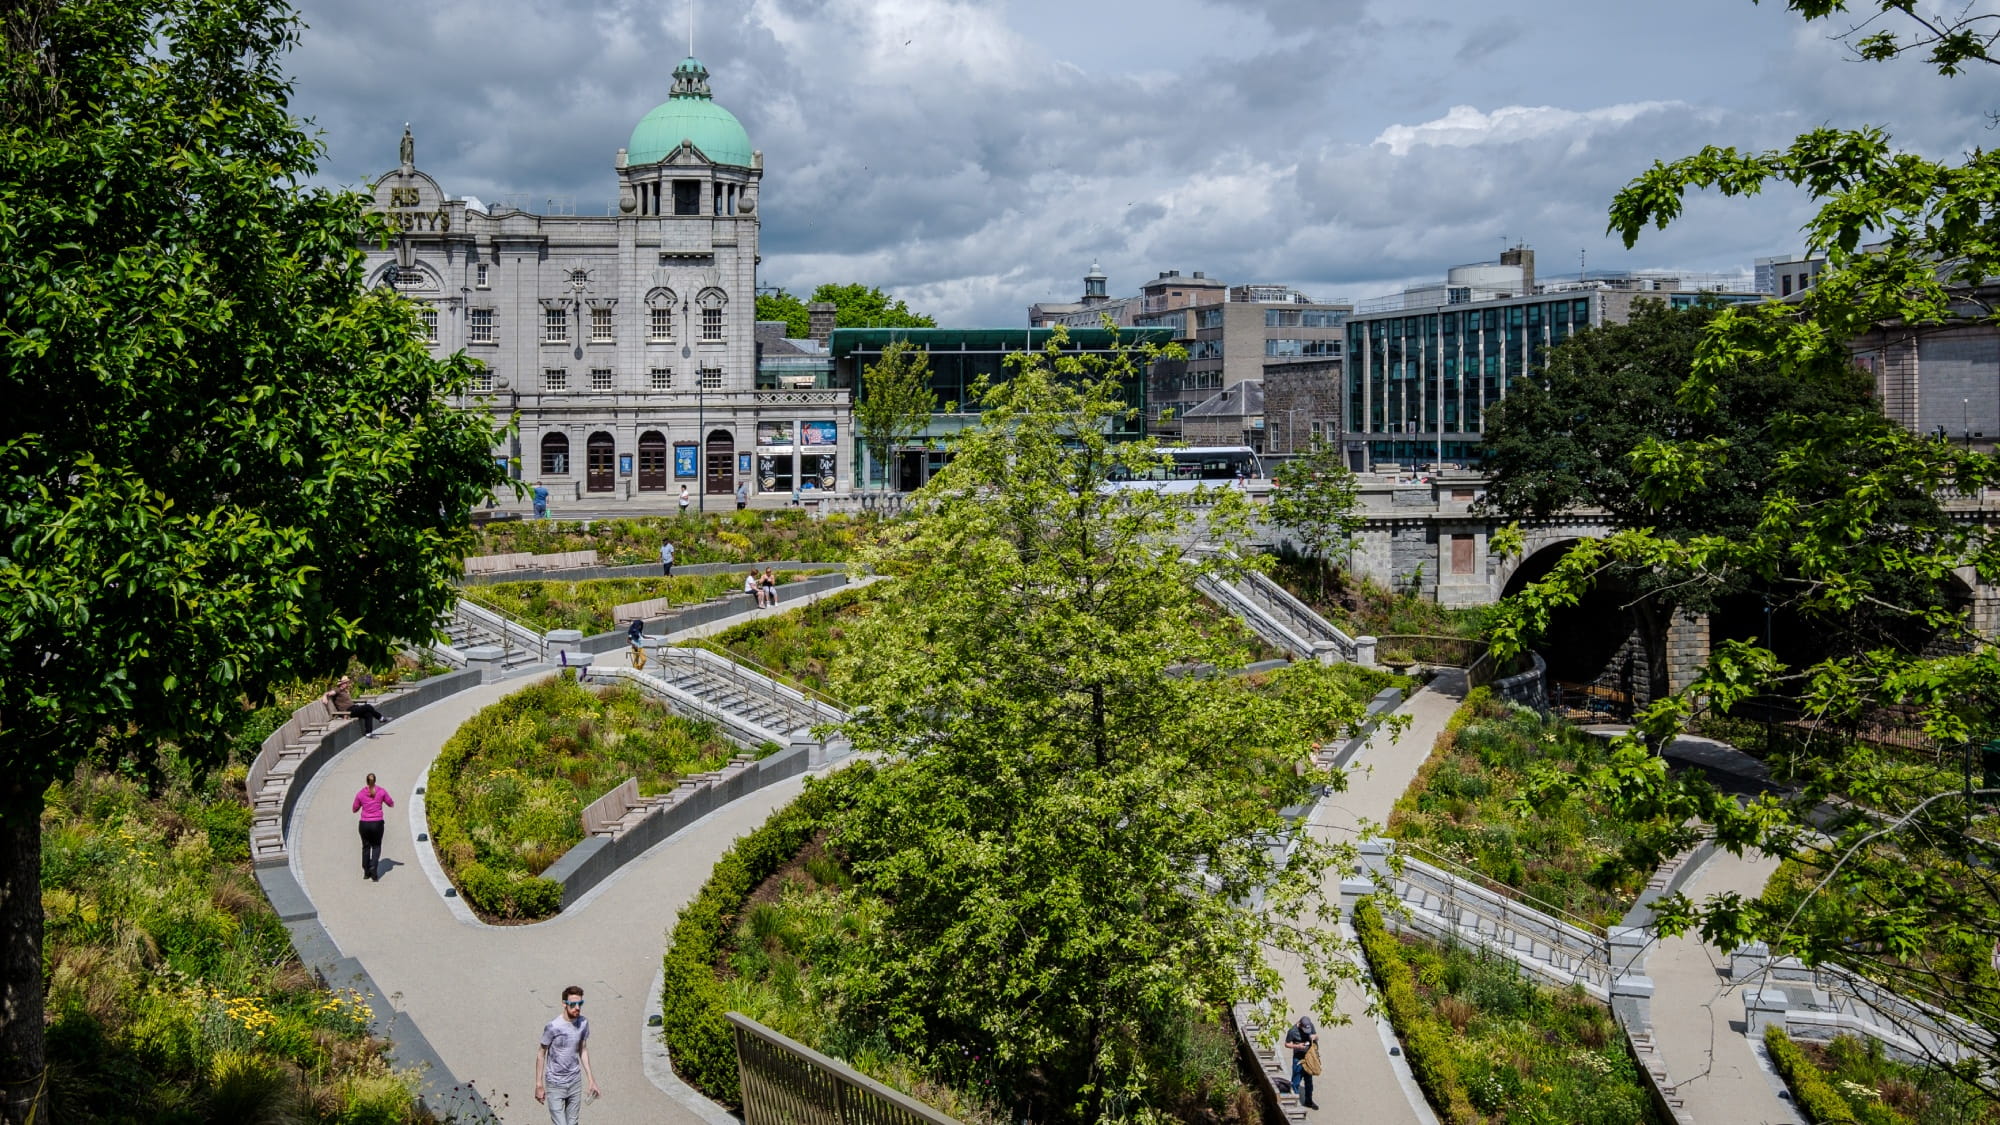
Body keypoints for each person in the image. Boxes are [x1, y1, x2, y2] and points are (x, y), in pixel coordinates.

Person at [535, 985, 598, 1123]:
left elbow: (583, 1050)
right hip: (555, 1084)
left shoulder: (583, 1023)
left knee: (573, 1122)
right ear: (564, 1004)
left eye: (580, 1003)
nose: (577, 1008)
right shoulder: (553, 1027)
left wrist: (591, 1080)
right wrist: (539, 1084)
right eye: (573, 1004)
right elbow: (541, 1054)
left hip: (575, 1082)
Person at [352, 772, 393, 881]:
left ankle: (366, 872)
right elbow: (390, 803)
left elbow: (354, 809)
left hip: (364, 824)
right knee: (376, 846)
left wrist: (362, 805)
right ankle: (374, 869)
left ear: (366, 782)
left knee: (366, 847)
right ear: (375, 781)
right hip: (377, 824)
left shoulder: (360, 794)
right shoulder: (381, 791)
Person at [1283, 1014, 1318, 1110]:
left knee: (1309, 1082)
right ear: (1300, 1025)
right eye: (1305, 1029)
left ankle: (1309, 1102)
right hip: (1298, 1058)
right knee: (1296, 1082)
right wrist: (1298, 1046)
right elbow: (1287, 1044)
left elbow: (1316, 1036)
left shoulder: (1310, 1026)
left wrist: (1314, 1037)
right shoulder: (1292, 1031)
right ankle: (1294, 1104)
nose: (1307, 1031)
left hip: (1309, 1058)